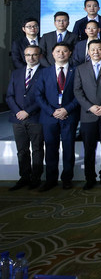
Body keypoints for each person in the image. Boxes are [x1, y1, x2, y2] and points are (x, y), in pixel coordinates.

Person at [73, 39, 101, 190]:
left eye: (99, 49)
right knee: (89, 149)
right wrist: (90, 107)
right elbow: (77, 91)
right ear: (88, 51)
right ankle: (90, 178)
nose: (96, 52)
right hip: (88, 115)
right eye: (92, 49)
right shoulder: (80, 68)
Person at [35, 43, 79, 191]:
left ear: (70, 53)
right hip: (49, 117)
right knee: (51, 149)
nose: (61, 54)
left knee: (68, 148)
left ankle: (67, 179)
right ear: (52, 54)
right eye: (58, 51)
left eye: (65, 51)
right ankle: (51, 179)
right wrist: (52, 111)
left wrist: (66, 109)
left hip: (69, 115)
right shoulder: (43, 72)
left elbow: (79, 94)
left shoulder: (76, 71)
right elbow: (39, 95)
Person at [6, 45, 45, 190]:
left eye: (34, 55)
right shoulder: (16, 73)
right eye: (28, 55)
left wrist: (27, 111)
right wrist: (18, 111)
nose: (31, 58)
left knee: (37, 149)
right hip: (17, 119)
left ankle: (36, 178)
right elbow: (9, 96)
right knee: (22, 150)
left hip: (36, 118)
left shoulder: (45, 73)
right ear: (24, 56)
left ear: (40, 56)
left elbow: (44, 96)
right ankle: (24, 177)